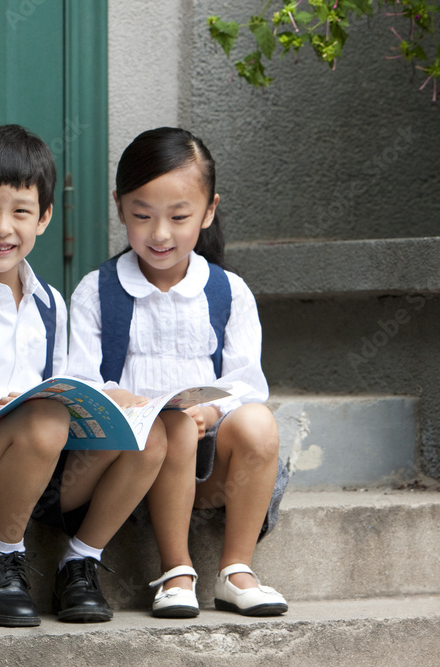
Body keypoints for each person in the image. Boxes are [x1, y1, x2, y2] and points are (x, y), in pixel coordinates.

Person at [0, 124, 194, 627]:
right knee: (44, 416)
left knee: (149, 434)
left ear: (45, 217)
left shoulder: (49, 302)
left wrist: (119, 402)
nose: (2, 227)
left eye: (21, 211)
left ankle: (80, 561)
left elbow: (64, 392)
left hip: (38, 468)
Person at [67, 127, 289, 618]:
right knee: (174, 426)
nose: (160, 234)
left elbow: (246, 382)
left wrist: (212, 409)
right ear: (120, 207)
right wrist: (139, 408)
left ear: (209, 210)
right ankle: (176, 570)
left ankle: (236, 570)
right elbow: (79, 380)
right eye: (142, 216)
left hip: (211, 473)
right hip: (133, 469)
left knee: (258, 421)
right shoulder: (97, 291)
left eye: (179, 216)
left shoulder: (228, 291)